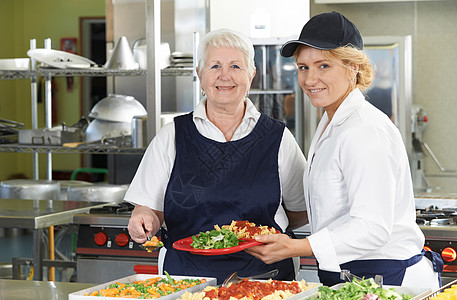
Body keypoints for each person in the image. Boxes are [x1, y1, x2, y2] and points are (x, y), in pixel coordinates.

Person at [245, 11, 443, 288]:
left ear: (353, 67)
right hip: (353, 277)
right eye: (303, 67)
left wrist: (295, 248)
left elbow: (373, 228)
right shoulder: (331, 120)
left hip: (387, 280)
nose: (310, 79)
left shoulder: (364, 130)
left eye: (323, 65)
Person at [125, 28, 307, 284]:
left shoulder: (277, 137)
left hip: (264, 281)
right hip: (186, 280)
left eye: (235, 66)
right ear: (199, 74)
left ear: (251, 74)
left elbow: (300, 211)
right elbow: (149, 211)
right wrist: (142, 219)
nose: (225, 76)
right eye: (214, 66)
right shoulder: (172, 136)